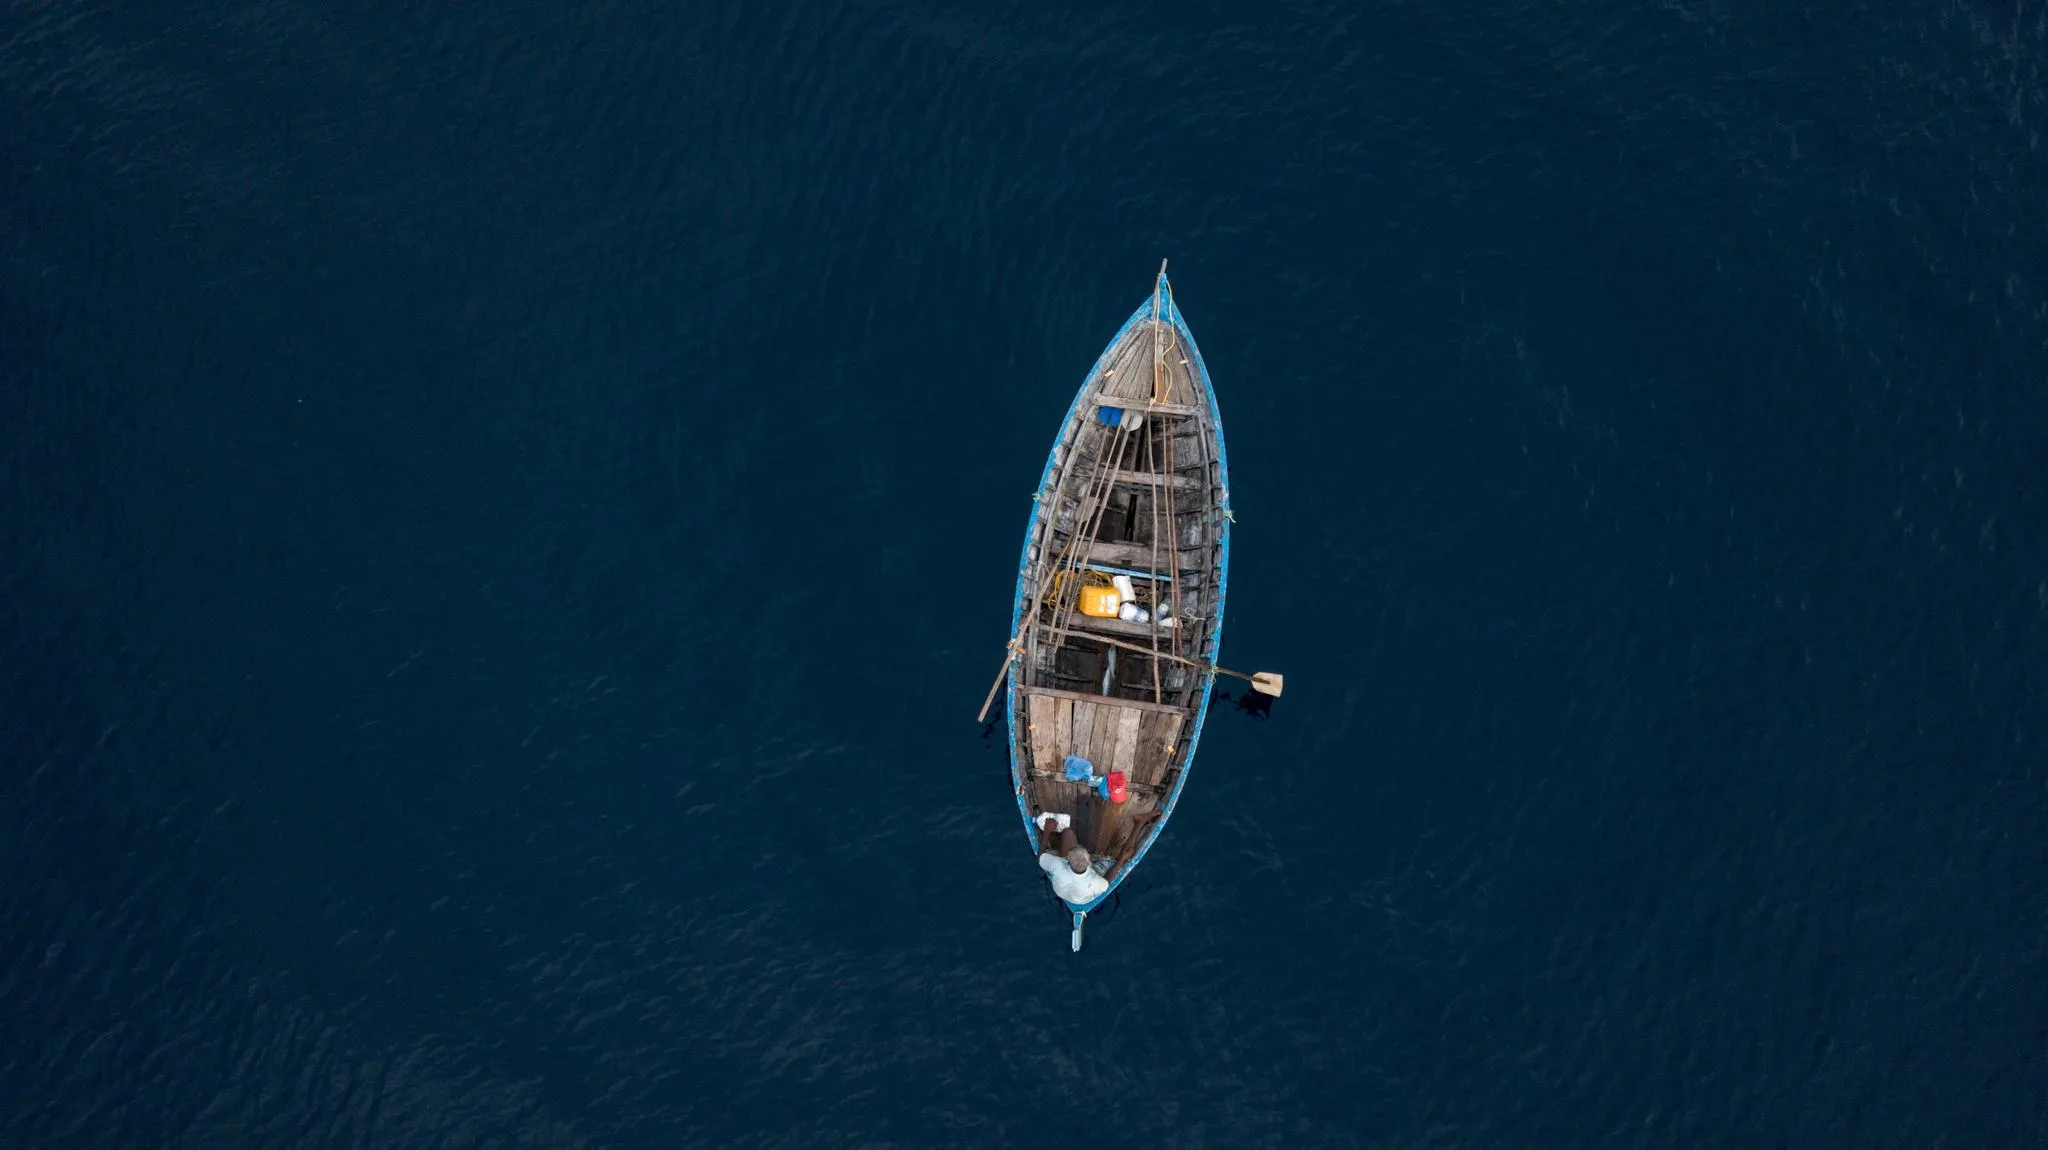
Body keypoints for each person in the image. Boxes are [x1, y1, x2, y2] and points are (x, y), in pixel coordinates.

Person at [1034, 812, 1109, 904]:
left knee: (1068, 833)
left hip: (1061, 892)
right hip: (1083, 900)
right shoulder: (1094, 880)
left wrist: (1047, 832)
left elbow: (1039, 858)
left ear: (1067, 860)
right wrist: (1122, 859)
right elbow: (1106, 885)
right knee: (1108, 863)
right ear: (1089, 861)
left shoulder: (1058, 865)